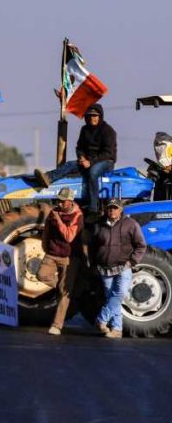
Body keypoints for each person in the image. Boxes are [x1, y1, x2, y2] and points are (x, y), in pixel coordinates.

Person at [35, 103, 116, 215]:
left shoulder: (108, 131)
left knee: (93, 173)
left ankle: (94, 207)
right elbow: (79, 147)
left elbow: (108, 153)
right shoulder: (85, 130)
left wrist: (91, 162)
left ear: (100, 116)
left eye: (95, 115)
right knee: (70, 165)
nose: (92, 118)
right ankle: (48, 177)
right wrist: (81, 157)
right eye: (90, 115)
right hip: (88, 160)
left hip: (105, 161)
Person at [88, 199, 145, 339]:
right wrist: (94, 263)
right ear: (106, 210)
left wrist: (132, 262)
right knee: (111, 298)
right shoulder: (99, 225)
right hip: (105, 268)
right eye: (110, 208)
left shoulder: (131, 224)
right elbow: (92, 246)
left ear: (121, 210)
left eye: (115, 208)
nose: (112, 210)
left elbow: (141, 245)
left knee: (119, 294)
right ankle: (117, 329)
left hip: (123, 267)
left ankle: (101, 319)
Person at [38, 187, 84, 336]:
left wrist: (58, 220)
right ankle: (63, 289)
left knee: (64, 293)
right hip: (52, 253)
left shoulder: (78, 216)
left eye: (63, 201)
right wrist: (45, 246)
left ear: (70, 201)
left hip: (69, 257)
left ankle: (57, 325)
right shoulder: (53, 213)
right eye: (59, 200)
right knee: (41, 275)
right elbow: (47, 230)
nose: (60, 204)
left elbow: (69, 236)